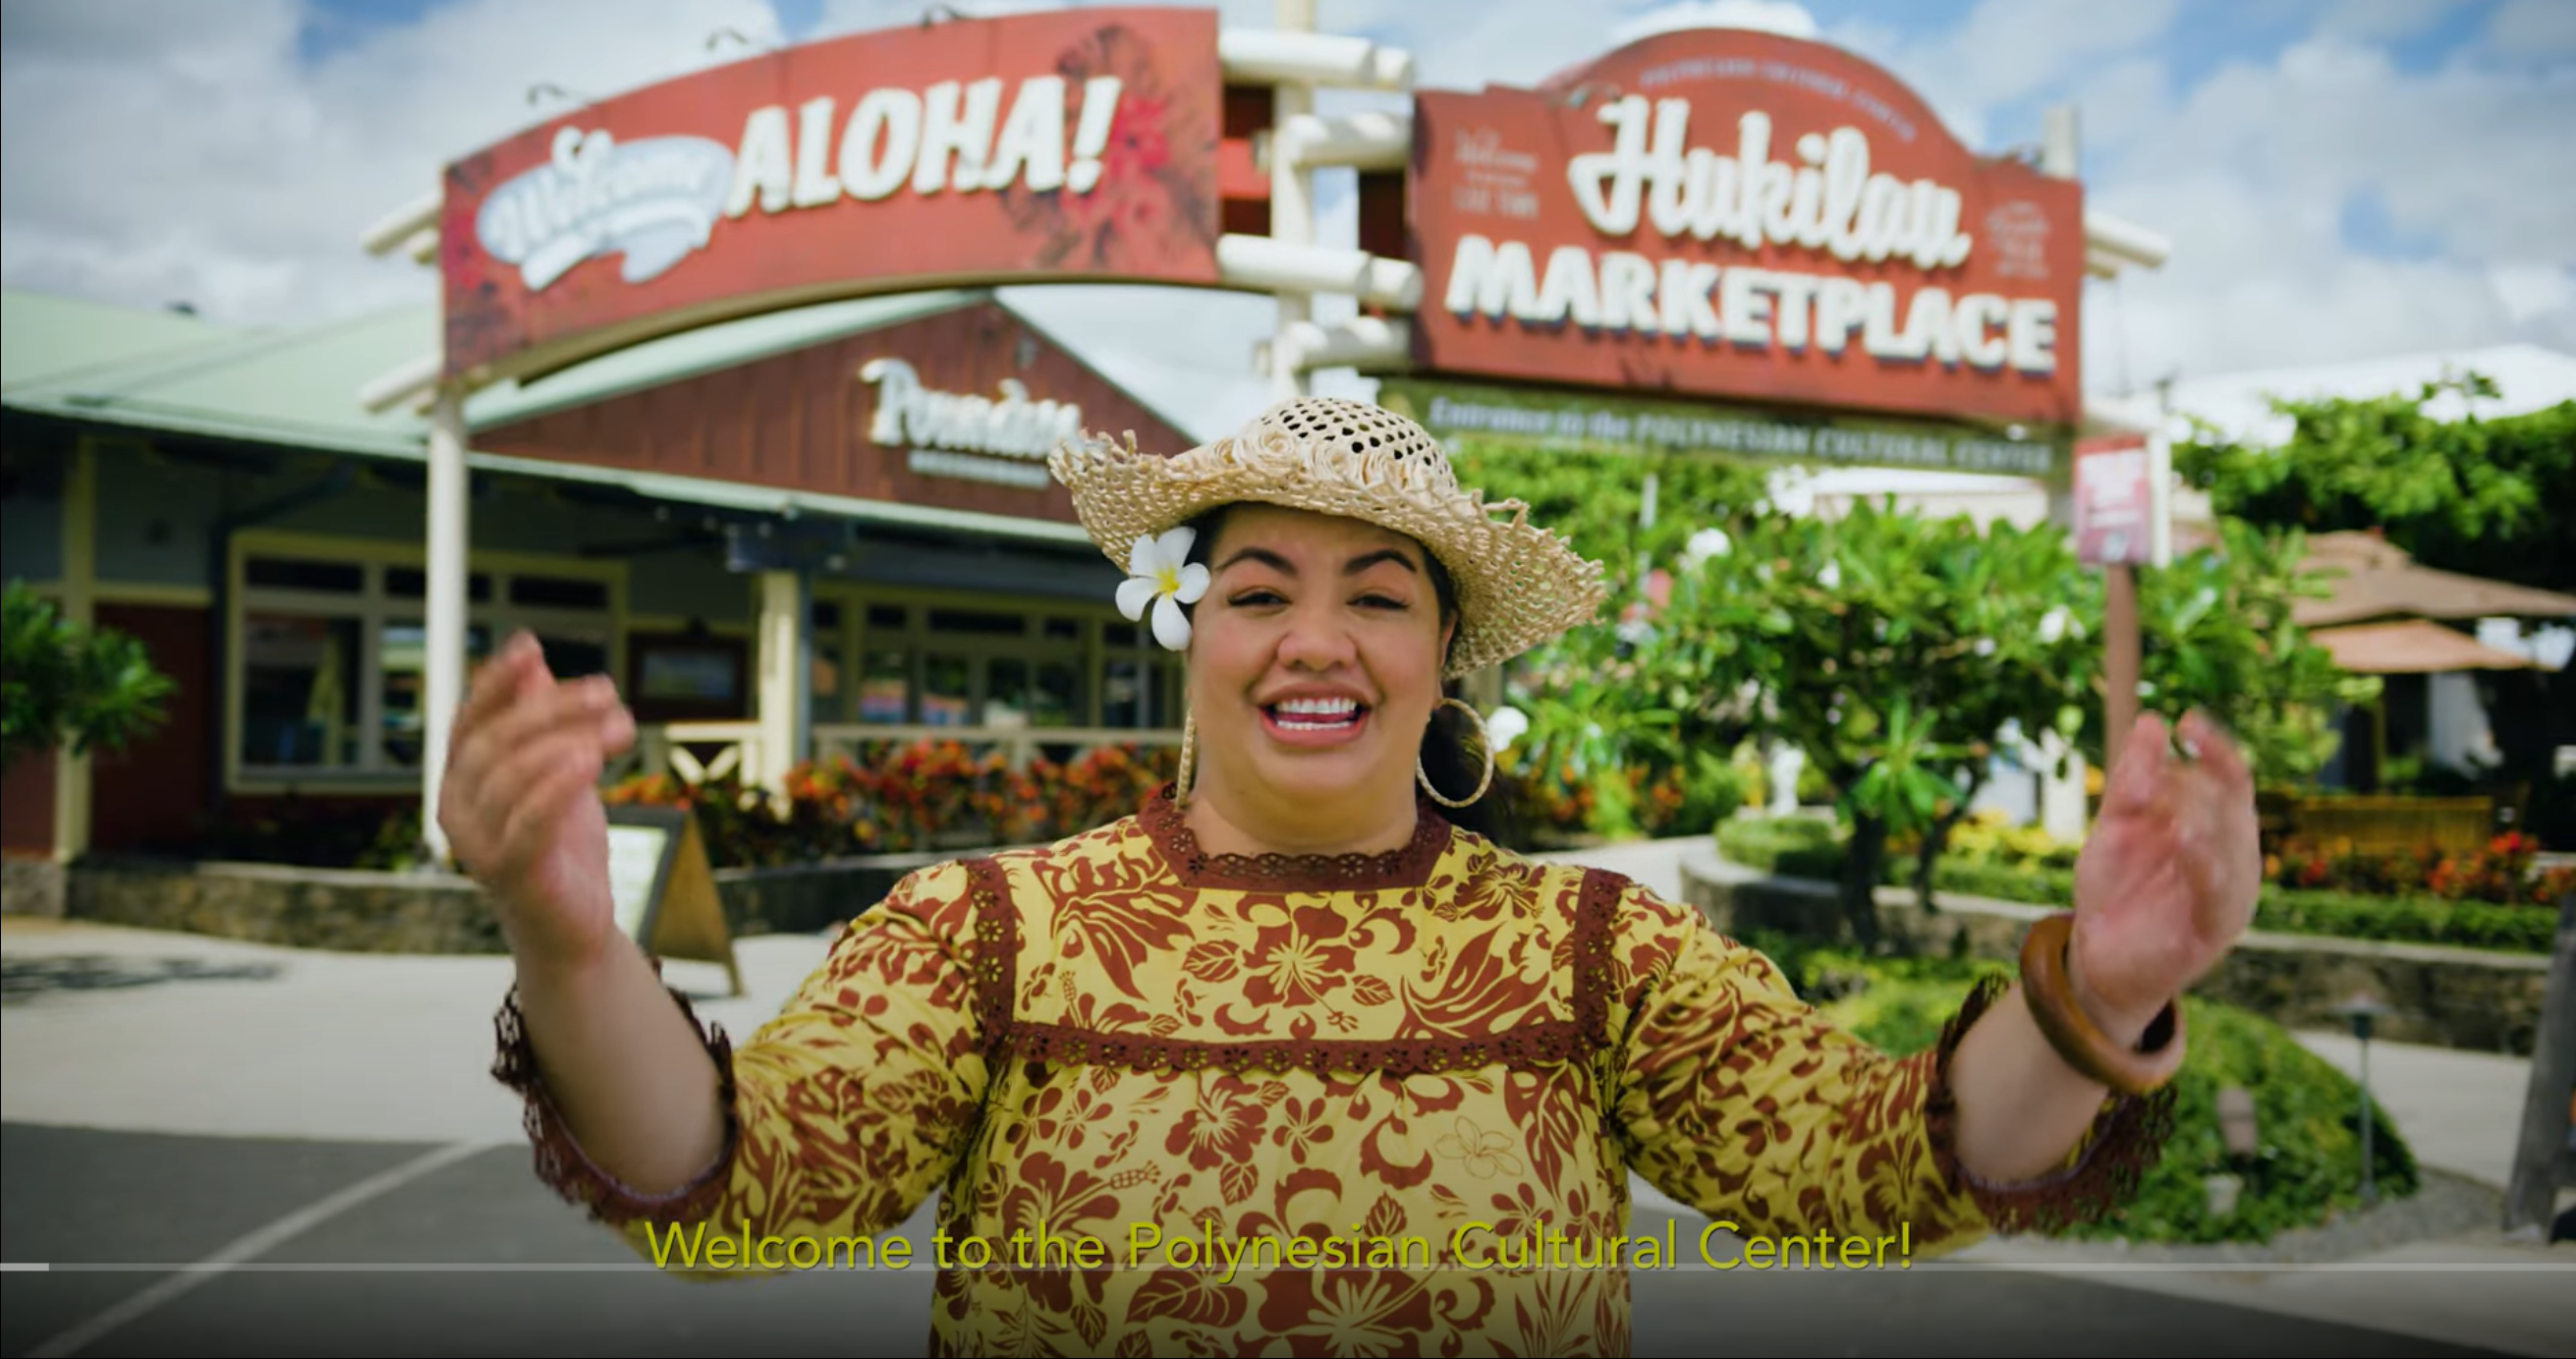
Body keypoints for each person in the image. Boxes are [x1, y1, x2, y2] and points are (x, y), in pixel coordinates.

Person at [446, 397, 2259, 1356]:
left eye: (1377, 592)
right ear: (1188, 632)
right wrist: (565, 938)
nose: (1315, 638)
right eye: (1258, 589)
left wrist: (2094, 995)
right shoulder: (990, 932)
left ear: (1444, 657)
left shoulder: (1593, 950)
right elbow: (738, 1181)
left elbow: (1876, 1171)